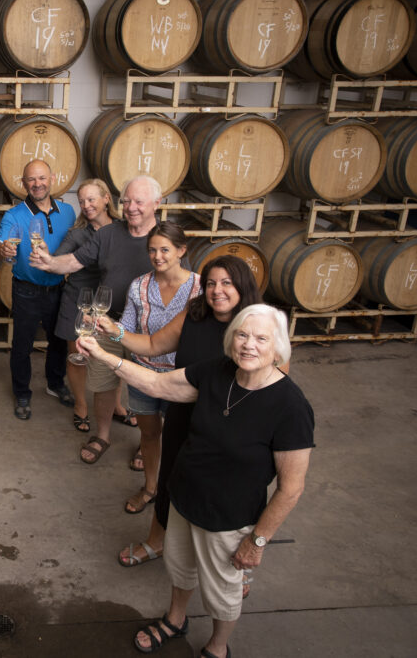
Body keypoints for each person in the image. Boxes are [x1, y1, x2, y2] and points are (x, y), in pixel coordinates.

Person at [78, 304, 314, 658]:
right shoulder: (218, 372)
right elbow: (156, 383)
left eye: (261, 338)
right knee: (180, 568)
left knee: (222, 592)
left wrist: (257, 540)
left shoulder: (290, 406)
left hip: (228, 518)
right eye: (242, 335)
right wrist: (101, 354)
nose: (249, 345)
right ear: (231, 339)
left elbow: (291, 488)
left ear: (279, 347)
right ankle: (175, 619)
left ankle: (218, 647)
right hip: (184, 499)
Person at [97, 256, 262, 588]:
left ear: (243, 286)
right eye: (212, 283)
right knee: (172, 479)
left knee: (225, 493)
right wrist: (114, 331)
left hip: (232, 428)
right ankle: (157, 540)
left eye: (227, 283)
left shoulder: (258, 325)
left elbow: (277, 378)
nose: (217, 291)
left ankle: (237, 565)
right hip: (184, 415)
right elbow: (155, 344)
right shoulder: (196, 313)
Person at [30, 175, 162, 462]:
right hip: (107, 321)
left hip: (147, 329)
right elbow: (75, 261)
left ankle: (146, 443)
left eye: (139, 202)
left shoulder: (165, 239)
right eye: (126, 201)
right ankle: (102, 436)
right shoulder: (108, 234)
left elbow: (183, 282)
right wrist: (50, 262)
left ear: (156, 203)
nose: (131, 207)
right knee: (103, 384)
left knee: (145, 389)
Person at [114, 222, 201, 516]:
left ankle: (175, 492)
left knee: (182, 439)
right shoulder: (139, 285)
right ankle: (150, 488)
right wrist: (105, 327)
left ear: (181, 250)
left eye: (165, 249)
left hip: (183, 378)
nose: (158, 256)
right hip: (144, 375)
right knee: (149, 435)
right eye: (152, 250)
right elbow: (126, 328)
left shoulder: (201, 288)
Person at [0, 159, 76, 420]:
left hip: (59, 288)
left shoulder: (69, 212)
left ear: (52, 178)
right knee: (22, 346)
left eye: (41, 178)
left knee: (59, 341)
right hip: (26, 290)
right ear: (23, 183)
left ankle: (55, 383)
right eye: (31, 179)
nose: (37, 184)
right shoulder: (14, 215)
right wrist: (2, 249)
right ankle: (22, 392)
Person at [52, 178, 116, 434]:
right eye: (82, 201)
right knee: (78, 357)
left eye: (91, 199)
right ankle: (81, 405)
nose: (87, 205)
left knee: (114, 357)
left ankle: (116, 406)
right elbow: (58, 258)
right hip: (79, 300)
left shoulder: (122, 230)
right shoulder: (78, 234)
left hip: (110, 300)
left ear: (106, 199)